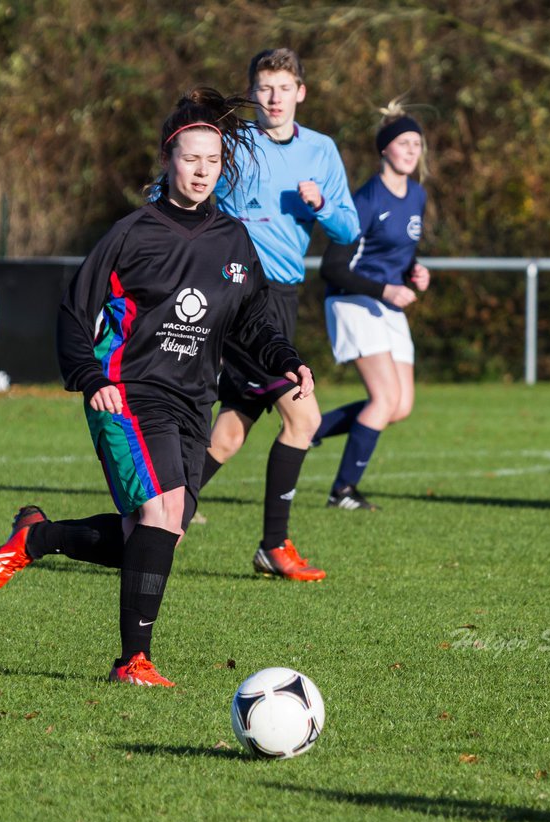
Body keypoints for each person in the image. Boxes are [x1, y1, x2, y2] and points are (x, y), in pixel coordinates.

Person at [0, 88, 315, 688]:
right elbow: (73, 313)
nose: (202, 171)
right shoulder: (132, 234)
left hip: (193, 401)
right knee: (159, 513)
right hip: (128, 393)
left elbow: (254, 320)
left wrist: (285, 358)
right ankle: (132, 661)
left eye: (212, 162)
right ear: (169, 160)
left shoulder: (233, 241)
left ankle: (38, 537)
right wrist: (89, 378)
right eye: (191, 159)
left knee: (159, 529)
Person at [198, 47, 359, 582]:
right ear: (252, 92)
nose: (273, 98)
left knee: (228, 436)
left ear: (300, 93)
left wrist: (322, 207)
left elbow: (347, 230)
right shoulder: (233, 144)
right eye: (264, 88)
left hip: (282, 299)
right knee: (305, 417)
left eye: (283, 88)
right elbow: (181, 191)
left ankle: (149, 517)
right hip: (240, 296)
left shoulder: (321, 151)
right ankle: (273, 545)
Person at [313, 100, 432, 511]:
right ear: (384, 149)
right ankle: (342, 491)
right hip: (352, 302)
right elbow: (332, 267)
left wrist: (416, 271)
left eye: (417, 143)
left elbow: (398, 253)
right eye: (403, 142)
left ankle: (311, 426)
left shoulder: (417, 195)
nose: (412, 150)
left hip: (386, 304)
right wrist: (386, 290)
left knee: (400, 406)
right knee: (382, 400)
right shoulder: (364, 199)